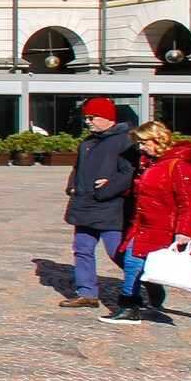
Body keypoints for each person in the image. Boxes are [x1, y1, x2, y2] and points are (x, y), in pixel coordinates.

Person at [101, 121, 191, 328]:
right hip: (143, 226)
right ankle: (130, 308)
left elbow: (189, 204)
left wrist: (184, 232)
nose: (140, 147)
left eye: (144, 142)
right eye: (139, 143)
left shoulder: (179, 166)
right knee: (132, 264)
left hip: (166, 229)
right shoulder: (150, 162)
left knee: (183, 272)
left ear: (158, 140)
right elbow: (144, 190)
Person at [60, 96, 136, 308]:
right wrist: (72, 187)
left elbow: (128, 172)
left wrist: (106, 189)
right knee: (82, 249)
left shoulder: (126, 141)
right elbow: (77, 168)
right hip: (84, 205)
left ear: (108, 117)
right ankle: (87, 293)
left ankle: (146, 283)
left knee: (118, 253)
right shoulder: (88, 142)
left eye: (92, 117)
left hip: (111, 207)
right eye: (86, 118)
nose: (88, 122)